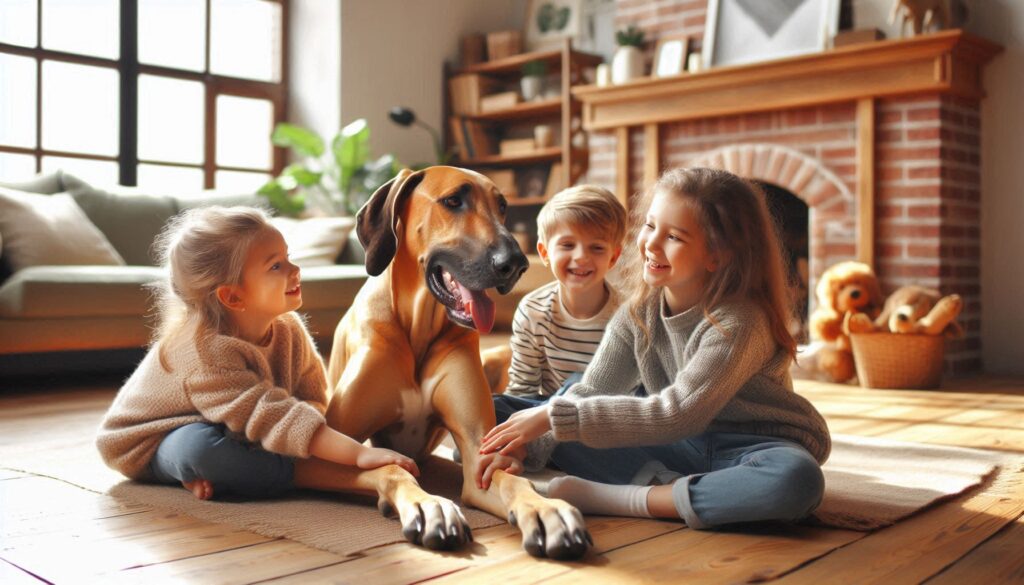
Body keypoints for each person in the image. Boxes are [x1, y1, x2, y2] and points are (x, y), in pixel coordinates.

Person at [477, 167, 831, 529]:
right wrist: (520, 448)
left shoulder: (740, 322)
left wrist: (549, 418)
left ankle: (626, 498)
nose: (651, 244)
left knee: (796, 481)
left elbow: (677, 413)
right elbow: (593, 391)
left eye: (674, 236)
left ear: (718, 254)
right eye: (650, 226)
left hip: (748, 449)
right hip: (673, 446)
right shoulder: (638, 314)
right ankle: (675, 488)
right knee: (490, 413)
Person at [96, 206, 418, 501]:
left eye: (288, 257)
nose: (295, 269)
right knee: (201, 450)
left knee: (256, 438)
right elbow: (270, 413)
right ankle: (293, 476)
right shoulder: (205, 353)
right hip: (154, 440)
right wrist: (357, 457)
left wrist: (327, 441)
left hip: (236, 420)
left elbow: (312, 400)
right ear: (233, 297)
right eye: (276, 266)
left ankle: (235, 473)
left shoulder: (289, 328)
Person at [495, 184, 627, 424]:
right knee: (494, 407)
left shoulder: (628, 315)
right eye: (567, 245)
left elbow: (631, 394)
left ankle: (536, 449)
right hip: (546, 414)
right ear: (545, 253)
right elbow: (522, 389)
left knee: (578, 383)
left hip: (604, 419)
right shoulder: (533, 311)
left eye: (596, 247)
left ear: (613, 257)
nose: (581, 257)